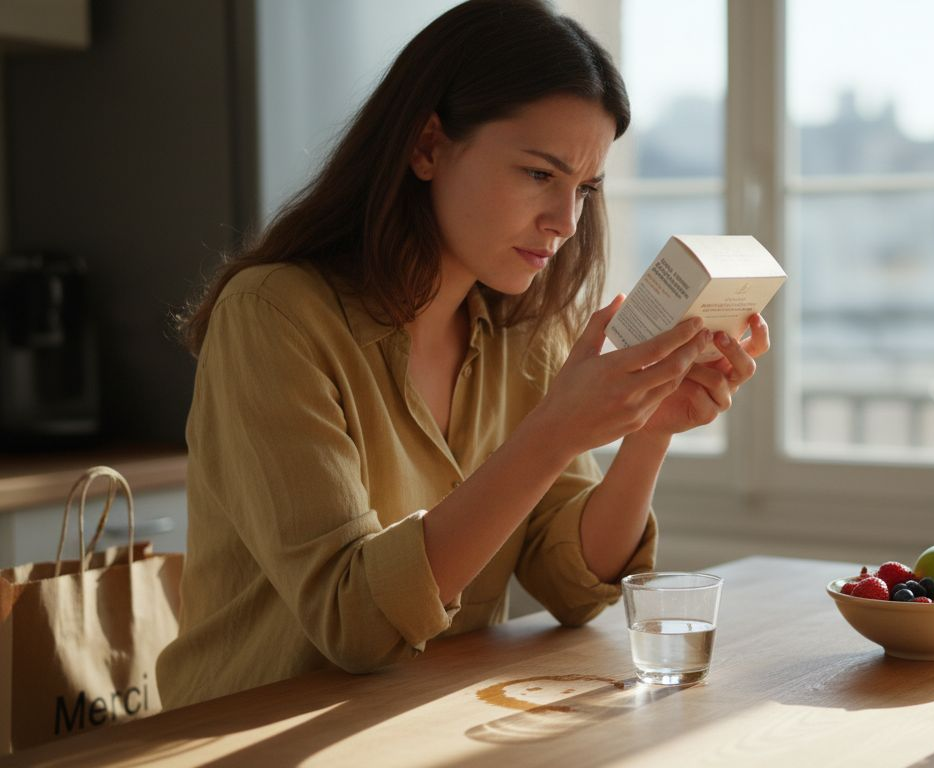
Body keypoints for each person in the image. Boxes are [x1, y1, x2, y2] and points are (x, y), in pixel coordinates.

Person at [157, 0, 769, 709]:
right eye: (540, 174)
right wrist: (556, 431)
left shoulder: (524, 332)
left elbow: (573, 583)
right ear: (426, 146)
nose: (566, 223)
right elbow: (353, 622)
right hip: (240, 736)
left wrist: (648, 432)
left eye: (585, 189)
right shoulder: (273, 318)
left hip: (426, 726)